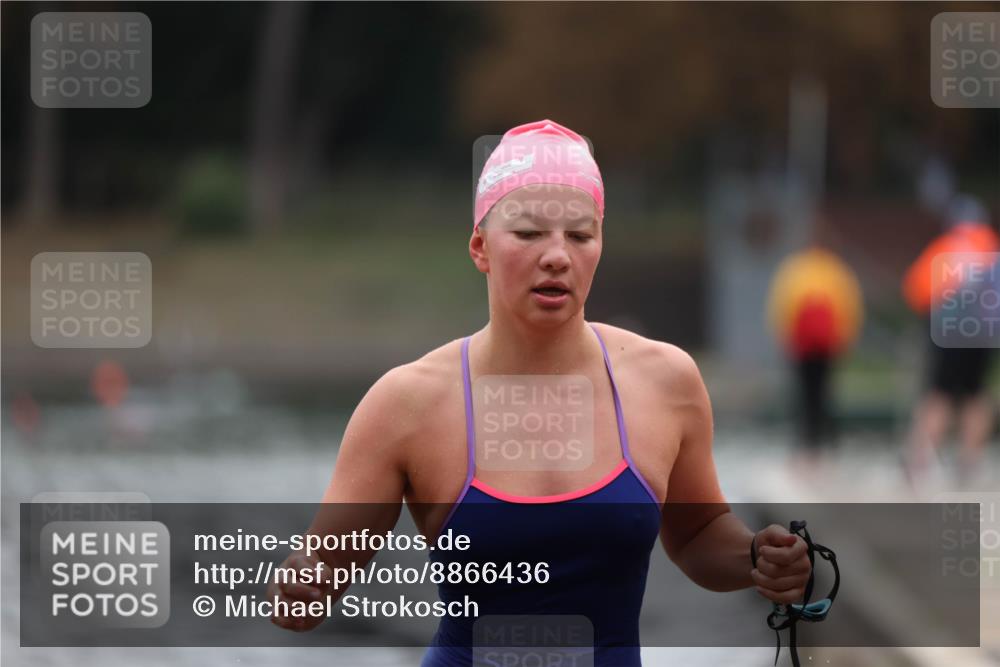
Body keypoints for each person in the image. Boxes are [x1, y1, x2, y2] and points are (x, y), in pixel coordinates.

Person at [267, 120, 813, 665]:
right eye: (529, 233)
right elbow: (321, 568)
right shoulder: (407, 403)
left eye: (580, 235)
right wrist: (297, 589)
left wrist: (757, 557)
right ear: (480, 246)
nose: (557, 255)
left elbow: (697, 536)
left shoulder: (664, 381)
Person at [902, 195, 999, 487]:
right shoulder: (991, 247)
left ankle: (920, 463)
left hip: (948, 333)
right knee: (975, 394)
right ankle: (969, 462)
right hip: (983, 334)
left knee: (939, 394)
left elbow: (915, 290)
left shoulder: (944, 248)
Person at [766, 236, 863, 456]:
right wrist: (847, 337)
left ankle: (807, 441)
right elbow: (850, 306)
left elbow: (781, 304)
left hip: (801, 345)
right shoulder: (836, 271)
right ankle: (828, 440)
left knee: (804, 391)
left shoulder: (795, 269)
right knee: (825, 390)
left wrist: (782, 336)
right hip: (827, 345)